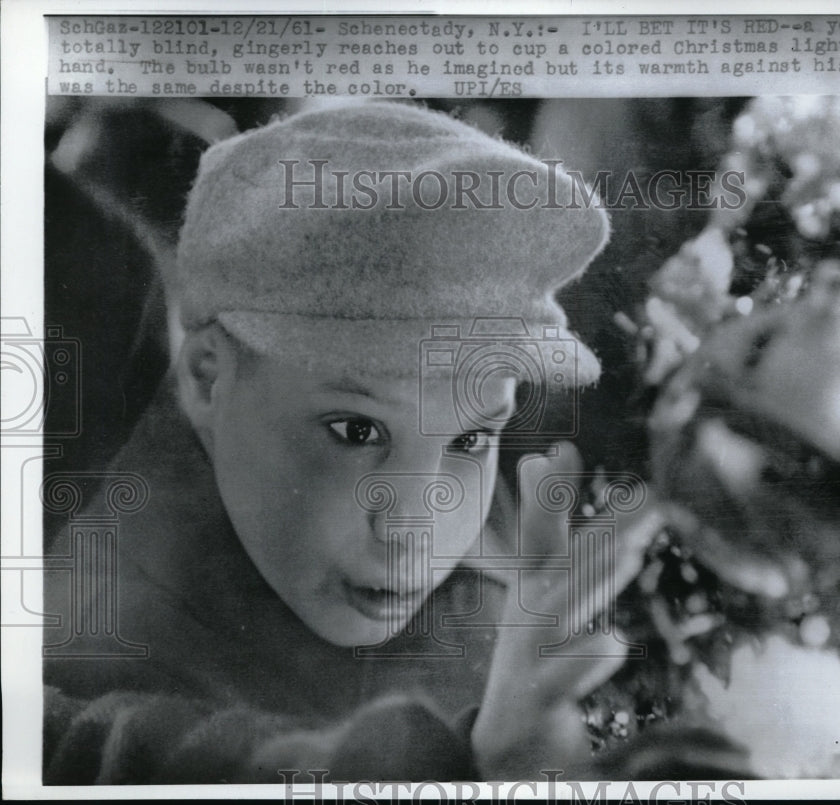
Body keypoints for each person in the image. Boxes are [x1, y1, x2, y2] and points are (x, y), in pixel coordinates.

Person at [42, 100, 664, 784]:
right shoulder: (98, 631)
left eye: (470, 438)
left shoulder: (491, 570)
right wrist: (478, 763)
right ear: (207, 376)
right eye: (357, 430)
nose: (415, 530)